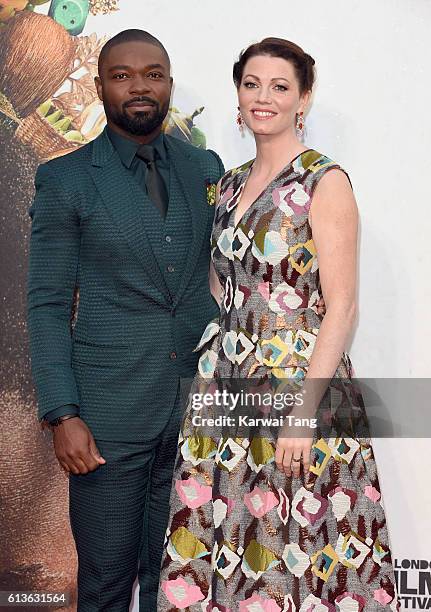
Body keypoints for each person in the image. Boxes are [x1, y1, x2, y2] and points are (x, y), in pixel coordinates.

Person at [158, 38, 400, 610]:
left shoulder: (325, 180)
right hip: (228, 384)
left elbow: (342, 305)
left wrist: (304, 411)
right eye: (251, 84)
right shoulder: (229, 185)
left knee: (300, 540)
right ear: (237, 94)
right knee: (233, 531)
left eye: (280, 87)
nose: (263, 98)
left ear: (303, 100)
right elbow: (225, 286)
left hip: (299, 387)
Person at [27, 29, 224, 611]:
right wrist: (62, 413)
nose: (140, 86)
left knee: (177, 582)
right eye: (123, 75)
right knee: (108, 583)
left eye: (153, 74)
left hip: (194, 414)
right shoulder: (65, 179)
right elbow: (47, 303)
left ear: (167, 82)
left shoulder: (204, 168)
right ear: (101, 86)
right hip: (106, 418)